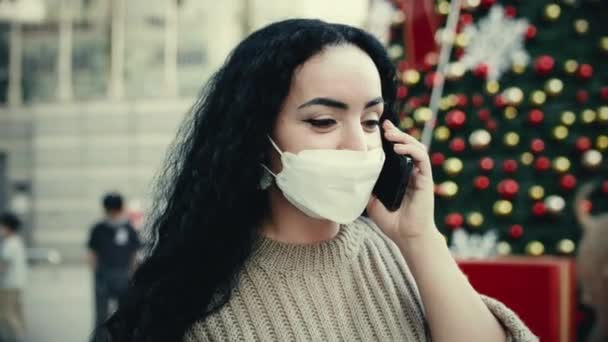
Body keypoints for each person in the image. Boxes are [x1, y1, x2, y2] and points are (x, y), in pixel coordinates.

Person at [97, 19, 536, 341]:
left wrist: (420, 238)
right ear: (255, 138)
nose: (358, 146)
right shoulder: (195, 295)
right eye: (324, 121)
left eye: (370, 120)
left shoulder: (401, 253)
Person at [87, 193, 140, 331]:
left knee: (123, 314)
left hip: (121, 276)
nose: (112, 214)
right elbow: (92, 253)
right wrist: (96, 273)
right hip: (105, 275)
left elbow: (134, 254)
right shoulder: (99, 228)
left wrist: (132, 274)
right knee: (101, 316)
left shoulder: (128, 228)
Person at [0, 212, 27, 342]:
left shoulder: (10, 244)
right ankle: (21, 335)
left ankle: (17, 337)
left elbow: (3, 267)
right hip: (17, 283)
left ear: (7, 227)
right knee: (16, 312)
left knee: (7, 314)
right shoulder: (17, 241)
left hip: (8, 285)